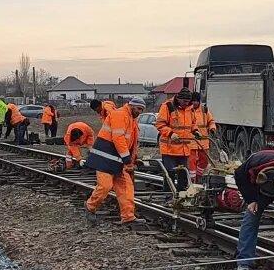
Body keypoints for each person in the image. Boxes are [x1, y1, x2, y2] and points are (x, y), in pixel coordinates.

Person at [84, 98, 147, 227]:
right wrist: (127, 159)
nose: (140, 112)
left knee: (126, 189)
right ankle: (90, 206)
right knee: (105, 186)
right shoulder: (120, 115)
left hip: (118, 160)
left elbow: (131, 143)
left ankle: (128, 217)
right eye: (138, 109)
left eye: (142, 110)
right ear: (131, 106)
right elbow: (118, 138)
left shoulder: (131, 119)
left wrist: (134, 158)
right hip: (105, 158)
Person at [155, 88, 196, 191]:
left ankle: (182, 195)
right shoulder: (168, 107)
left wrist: (195, 131)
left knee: (183, 174)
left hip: (184, 149)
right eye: (184, 101)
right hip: (169, 149)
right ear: (178, 98)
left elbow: (193, 123)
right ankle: (168, 196)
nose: (186, 104)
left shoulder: (190, 108)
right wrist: (170, 133)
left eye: (187, 102)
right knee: (170, 174)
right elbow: (160, 124)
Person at [189, 92, 217, 182]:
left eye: (196, 101)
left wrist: (212, 128)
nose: (194, 103)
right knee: (191, 161)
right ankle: (192, 179)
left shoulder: (204, 110)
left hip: (204, 140)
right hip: (191, 141)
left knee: (204, 161)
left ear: (199, 101)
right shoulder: (188, 110)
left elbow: (211, 121)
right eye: (193, 101)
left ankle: (199, 175)